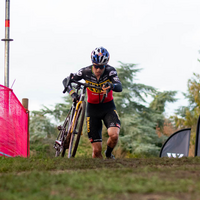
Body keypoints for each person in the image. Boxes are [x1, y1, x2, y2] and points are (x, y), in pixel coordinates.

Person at [63, 47, 122, 159]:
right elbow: (66, 80)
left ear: (105, 65)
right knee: (96, 151)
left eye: (101, 67)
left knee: (114, 135)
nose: (98, 69)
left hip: (108, 107)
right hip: (92, 110)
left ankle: (108, 154)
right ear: (92, 64)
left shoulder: (110, 71)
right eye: (96, 66)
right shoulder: (85, 71)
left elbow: (119, 87)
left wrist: (111, 86)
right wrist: (72, 93)